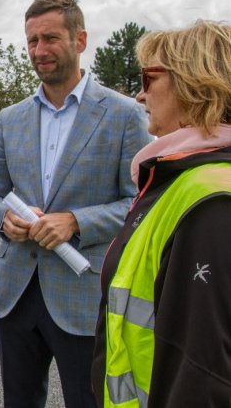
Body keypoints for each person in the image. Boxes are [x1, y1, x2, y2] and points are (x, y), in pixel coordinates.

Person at [0, 0, 151, 408]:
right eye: (32, 40)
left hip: (84, 293)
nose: (39, 50)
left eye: (51, 38)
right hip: (16, 293)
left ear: (80, 40)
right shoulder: (10, 118)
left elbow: (141, 203)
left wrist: (75, 221)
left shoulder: (125, 115)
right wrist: (5, 219)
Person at [91, 20, 231, 407]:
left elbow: (203, 376)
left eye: (149, 78)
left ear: (194, 83)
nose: (138, 95)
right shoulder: (180, 178)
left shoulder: (210, 200)